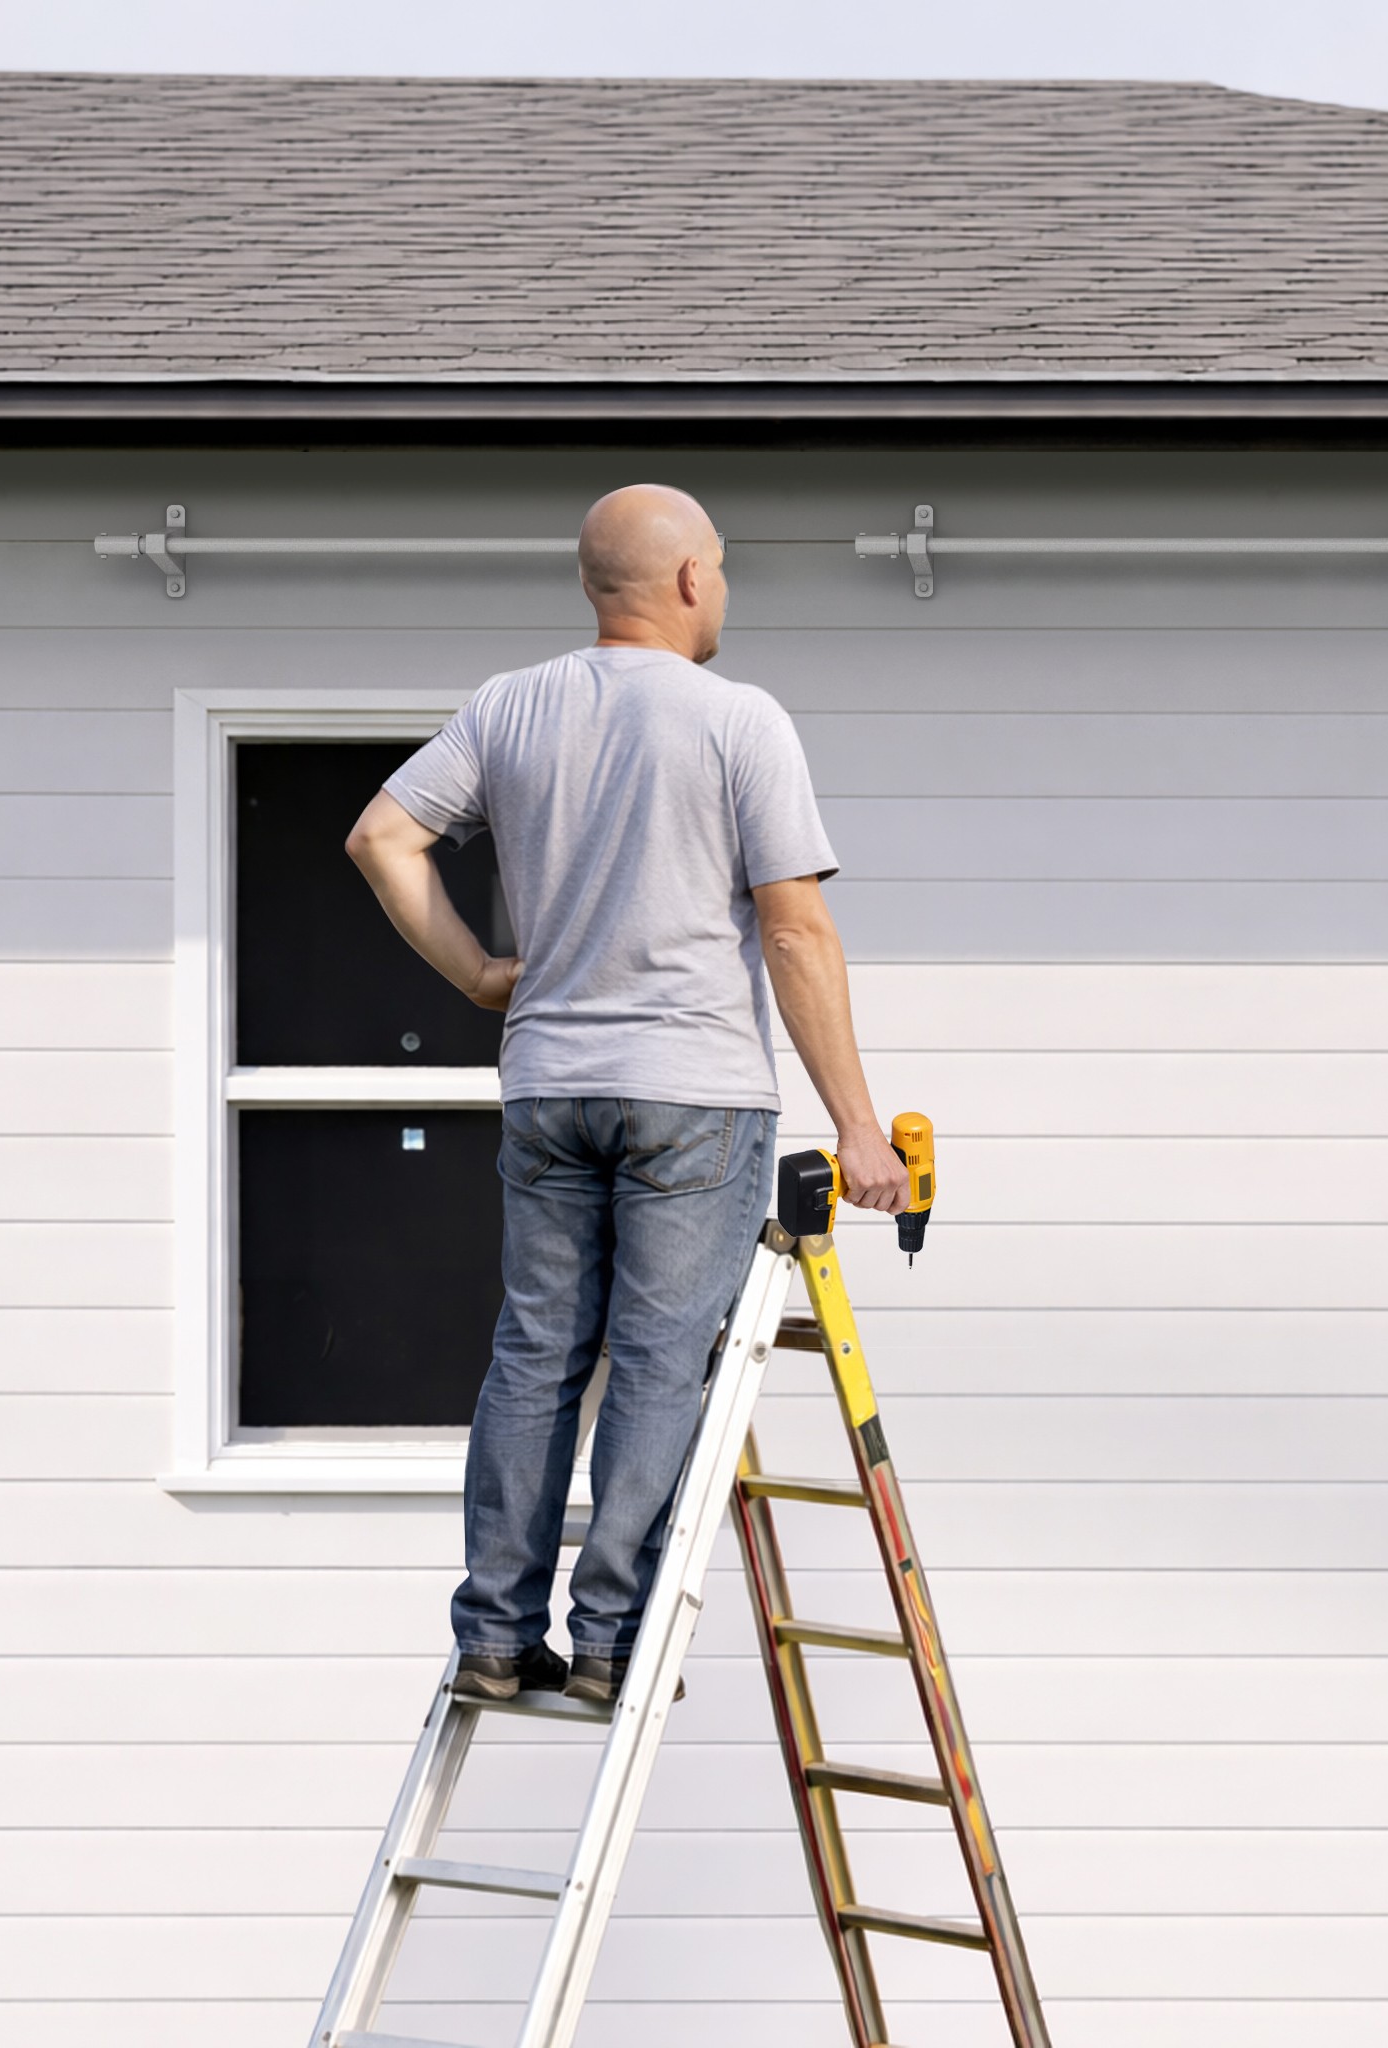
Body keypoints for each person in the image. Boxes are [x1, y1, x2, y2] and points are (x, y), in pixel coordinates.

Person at [346, 483, 909, 1704]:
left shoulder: (510, 706)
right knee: (659, 1361)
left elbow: (381, 837)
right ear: (693, 579)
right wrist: (858, 1123)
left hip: (549, 1084)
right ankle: (611, 1638)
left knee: (536, 1352)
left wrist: (482, 974)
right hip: (692, 1096)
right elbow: (798, 930)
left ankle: (495, 1632)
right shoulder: (738, 719)